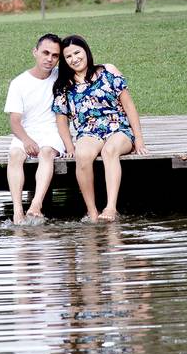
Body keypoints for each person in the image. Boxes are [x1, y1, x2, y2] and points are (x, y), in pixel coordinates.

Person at [52, 35, 148, 222]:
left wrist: (139, 139)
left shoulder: (108, 71)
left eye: (77, 52)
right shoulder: (64, 85)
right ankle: (92, 212)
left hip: (118, 128)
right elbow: (61, 120)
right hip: (88, 131)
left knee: (109, 150)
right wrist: (69, 147)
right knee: (82, 155)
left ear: (86, 51)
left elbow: (129, 106)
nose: (74, 58)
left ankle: (111, 207)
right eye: (68, 56)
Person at [5, 33, 65, 224]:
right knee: (15, 155)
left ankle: (36, 204)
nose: (49, 59)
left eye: (55, 55)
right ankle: (17, 210)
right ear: (35, 52)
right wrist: (26, 140)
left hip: (52, 131)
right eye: (45, 53)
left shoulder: (60, 77)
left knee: (46, 152)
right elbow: (15, 121)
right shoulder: (19, 83)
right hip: (26, 131)